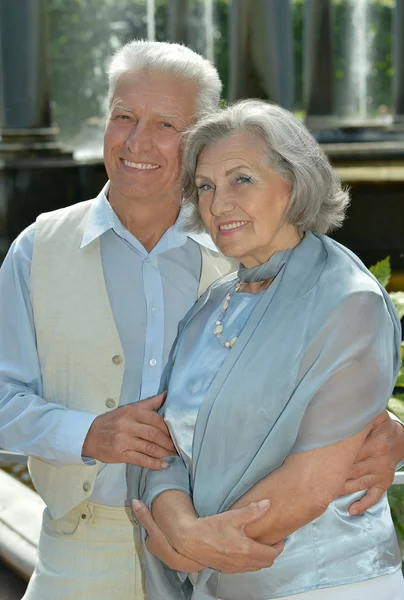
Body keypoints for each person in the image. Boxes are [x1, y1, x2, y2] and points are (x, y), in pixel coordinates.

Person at [0, 40, 401, 600]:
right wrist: (86, 433)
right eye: (123, 116)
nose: (138, 141)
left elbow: (331, 375)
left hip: (253, 563)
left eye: (166, 123)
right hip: (82, 549)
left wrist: (387, 432)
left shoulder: (243, 248)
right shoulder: (37, 249)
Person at [132, 99, 404, 600]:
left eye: (242, 180)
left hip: (323, 585)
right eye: (206, 186)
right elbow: (163, 444)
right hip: (218, 582)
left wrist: (188, 548)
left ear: (294, 185)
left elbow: (306, 486)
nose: (217, 205)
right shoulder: (213, 305)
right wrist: (181, 528)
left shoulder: (348, 302)